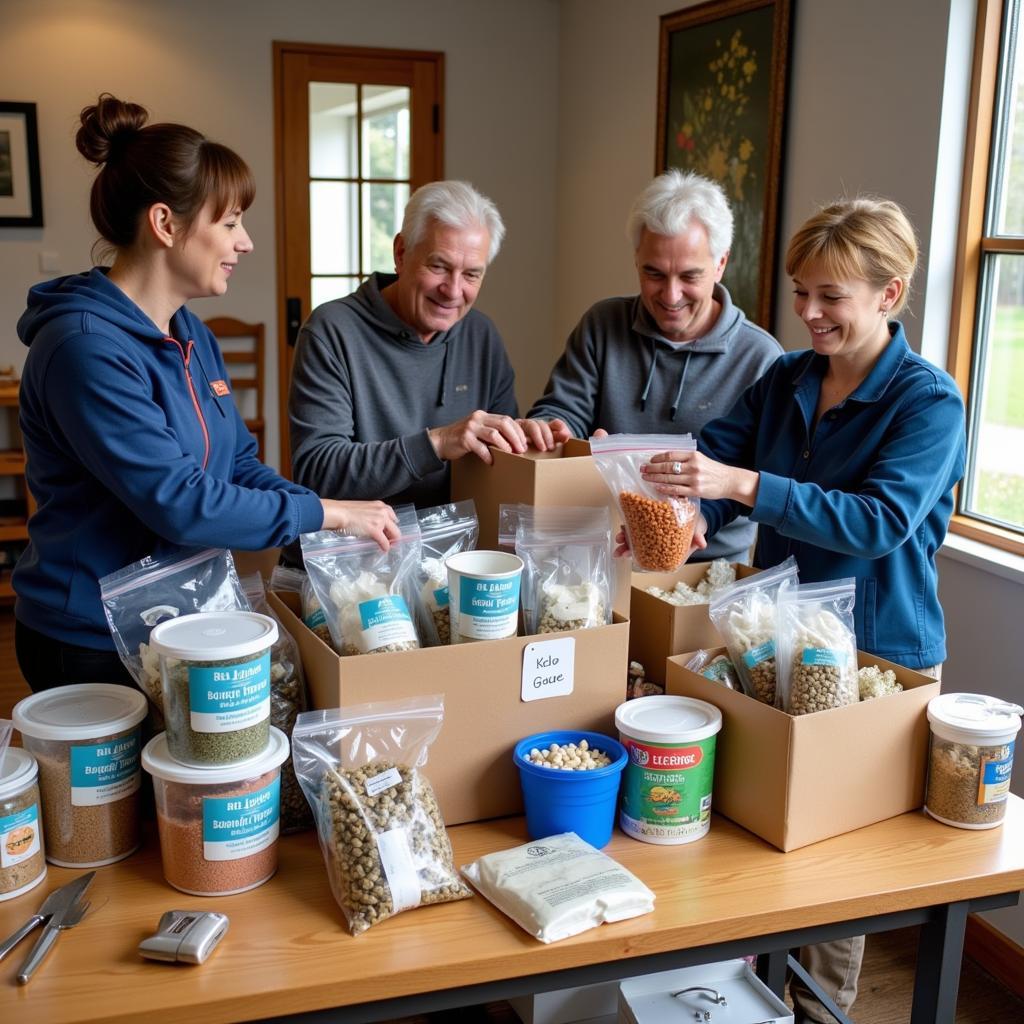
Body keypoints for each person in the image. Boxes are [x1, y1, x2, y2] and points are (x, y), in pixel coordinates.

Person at [636, 196, 966, 1023]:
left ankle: (820, 1014)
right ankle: (751, 1000)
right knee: (767, 840)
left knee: (836, 869)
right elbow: (715, 461)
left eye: (832, 296)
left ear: (889, 295)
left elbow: (879, 524)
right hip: (773, 645)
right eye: (800, 291)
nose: (808, 312)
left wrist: (742, 489)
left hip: (876, 658)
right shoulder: (788, 378)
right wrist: (683, 516)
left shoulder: (929, 404)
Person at [13, 94, 398, 694]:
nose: (244, 242)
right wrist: (327, 511)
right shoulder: (83, 349)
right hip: (89, 640)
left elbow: (237, 464)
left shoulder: (188, 329)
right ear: (165, 224)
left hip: (173, 617)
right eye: (229, 222)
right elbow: (180, 501)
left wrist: (325, 525)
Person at [519, 170, 782, 562]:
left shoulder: (761, 358)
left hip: (705, 562)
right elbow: (562, 410)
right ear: (636, 260)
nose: (671, 295)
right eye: (653, 273)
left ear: (721, 264)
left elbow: (759, 482)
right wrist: (556, 433)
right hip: (602, 551)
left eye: (689, 276)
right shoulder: (603, 324)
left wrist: (698, 515)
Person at [288, 180, 524, 510]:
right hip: (352, 553)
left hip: (454, 549)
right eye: (439, 266)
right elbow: (317, 472)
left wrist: (527, 441)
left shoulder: (481, 336)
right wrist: (437, 443)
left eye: (471, 274)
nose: (453, 291)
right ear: (401, 253)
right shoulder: (331, 331)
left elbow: (500, 461)